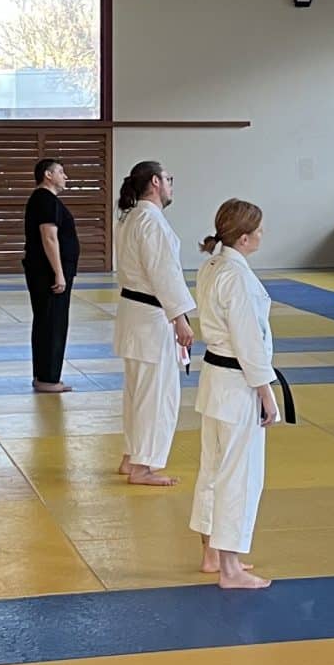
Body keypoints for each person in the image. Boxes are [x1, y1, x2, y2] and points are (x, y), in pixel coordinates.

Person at [188, 198, 280, 591]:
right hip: (238, 383)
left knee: (213, 469)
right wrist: (266, 392)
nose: (262, 234)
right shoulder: (237, 276)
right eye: (258, 229)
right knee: (239, 476)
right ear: (244, 238)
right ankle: (230, 569)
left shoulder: (212, 266)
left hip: (215, 380)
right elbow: (248, 341)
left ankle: (212, 553)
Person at [113, 159, 197, 486]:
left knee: (137, 392)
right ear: (155, 182)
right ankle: (142, 466)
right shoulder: (151, 221)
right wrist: (180, 318)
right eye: (168, 178)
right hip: (151, 318)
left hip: (134, 314)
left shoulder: (130, 217)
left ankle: (131, 456)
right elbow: (164, 274)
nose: (171, 184)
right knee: (157, 395)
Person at [24, 157, 79, 395]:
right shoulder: (45, 200)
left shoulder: (44, 200)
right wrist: (59, 273)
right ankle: (48, 377)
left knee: (47, 322)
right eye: (60, 172)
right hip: (48, 273)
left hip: (45, 272)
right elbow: (49, 237)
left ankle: (44, 375)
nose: (65, 177)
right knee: (53, 323)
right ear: (48, 175)